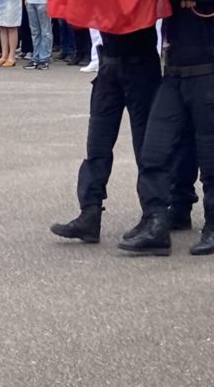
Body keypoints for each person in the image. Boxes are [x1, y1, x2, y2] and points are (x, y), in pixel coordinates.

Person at [119, 0, 214, 257]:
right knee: (154, 152)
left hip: (207, 79)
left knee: (211, 159)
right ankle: (156, 222)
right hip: (174, 78)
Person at [49, 25, 163, 244]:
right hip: (109, 64)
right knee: (97, 146)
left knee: (147, 150)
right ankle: (90, 214)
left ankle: (154, 216)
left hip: (140, 64)